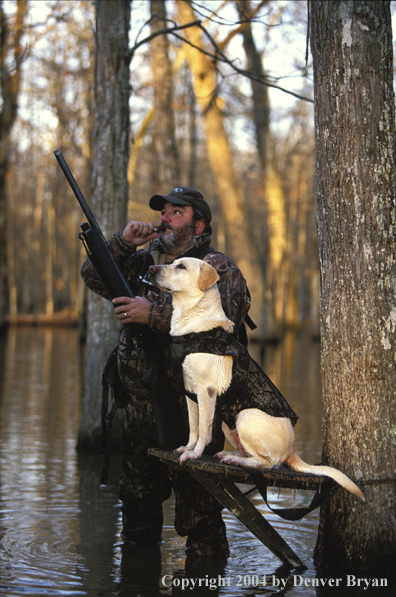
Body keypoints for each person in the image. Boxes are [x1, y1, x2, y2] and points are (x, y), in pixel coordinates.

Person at [81, 186, 251, 557]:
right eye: (163, 212)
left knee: (199, 509)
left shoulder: (215, 267)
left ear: (199, 224)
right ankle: (137, 579)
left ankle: (206, 577)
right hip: (142, 410)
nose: (164, 219)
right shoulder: (145, 264)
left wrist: (151, 314)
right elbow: (93, 275)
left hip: (190, 410)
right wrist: (122, 244)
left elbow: (222, 319)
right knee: (138, 502)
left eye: (177, 212)